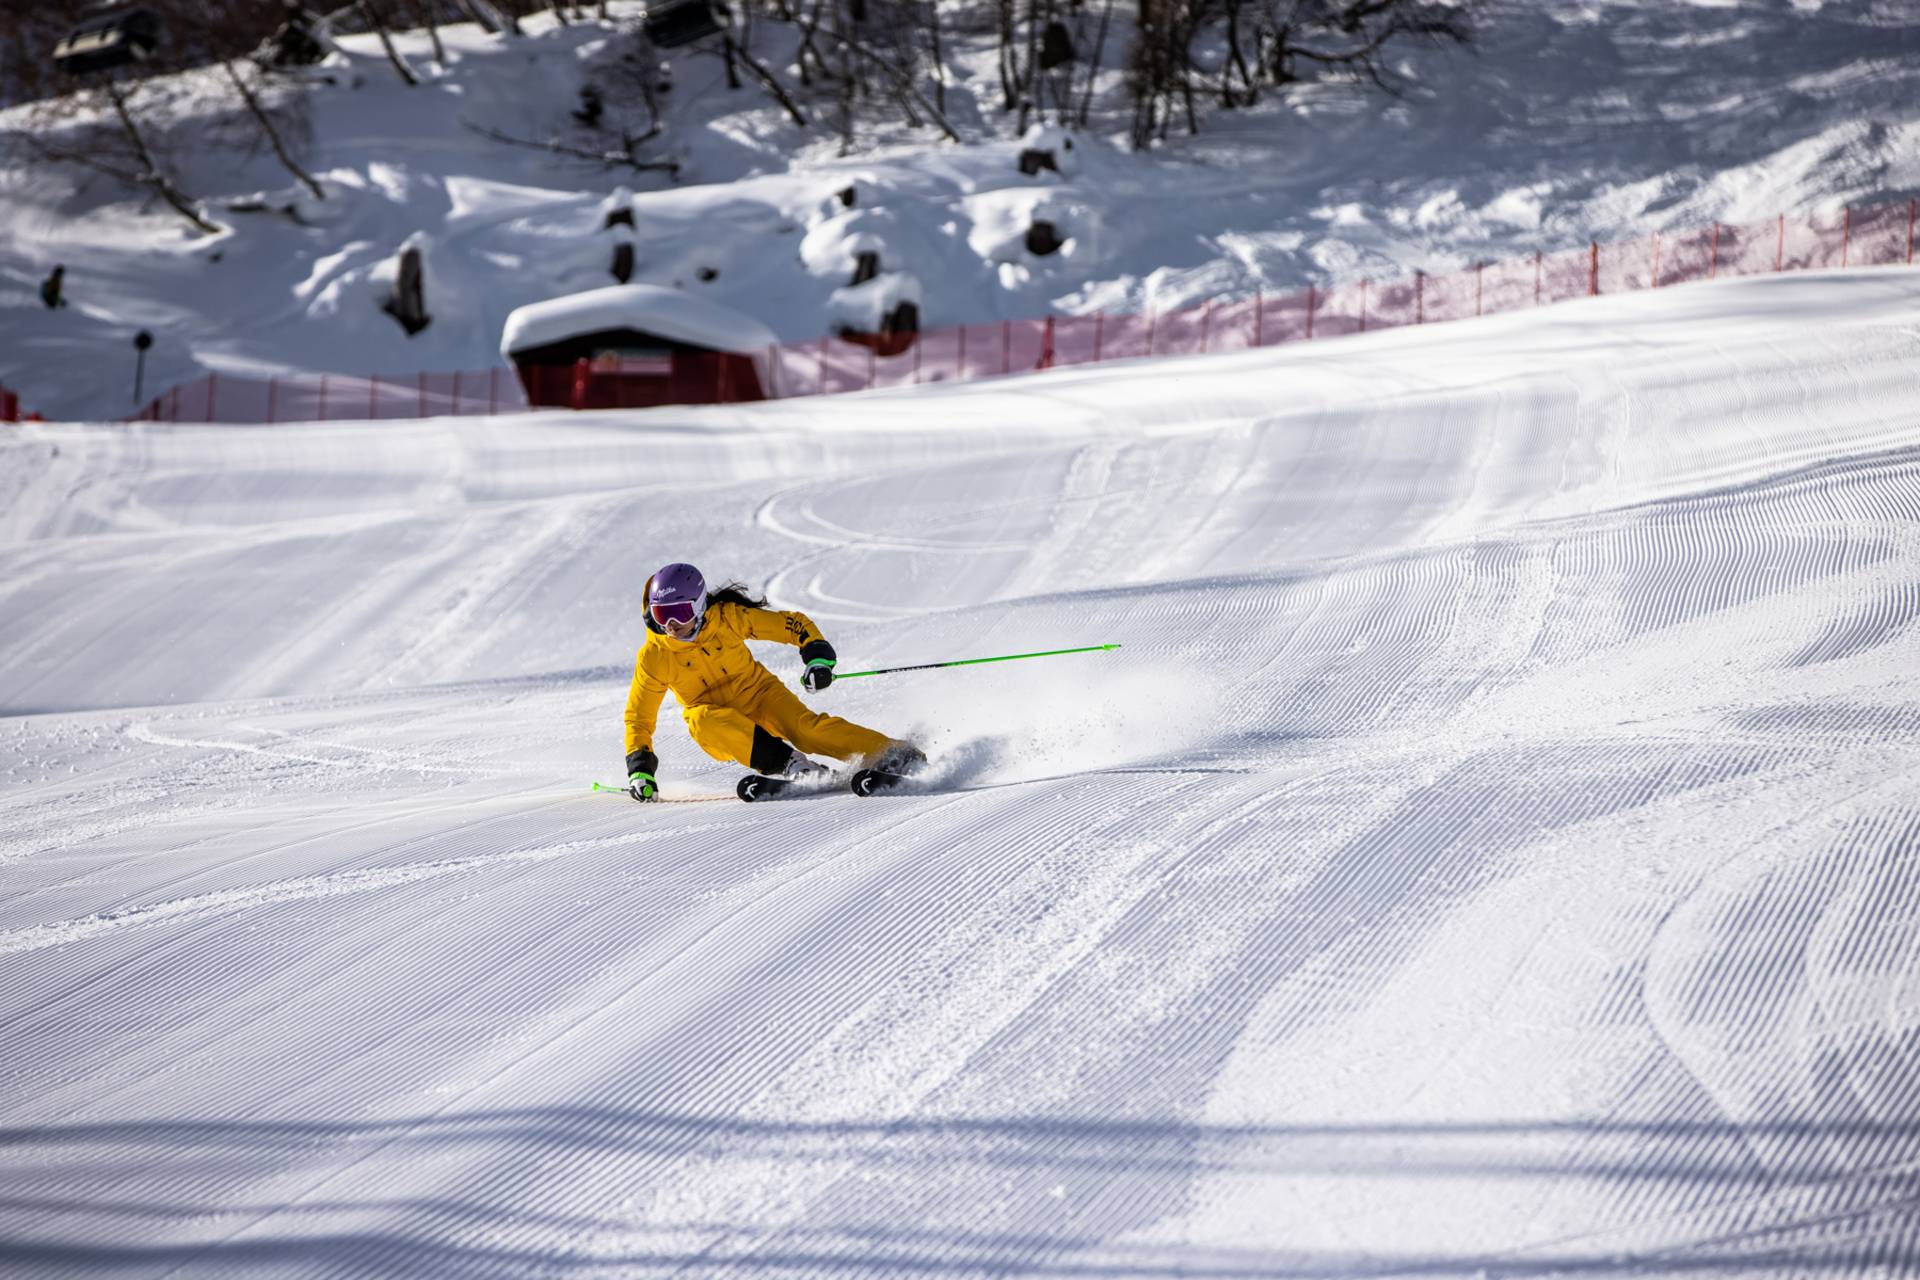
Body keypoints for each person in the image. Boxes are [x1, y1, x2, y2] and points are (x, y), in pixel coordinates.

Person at [622, 562, 922, 801]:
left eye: (680, 612)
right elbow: (639, 717)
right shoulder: (654, 656)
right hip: (717, 722)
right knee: (701, 719)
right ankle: (790, 764)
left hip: (760, 694)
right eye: (662, 615)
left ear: (699, 606)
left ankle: (893, 753)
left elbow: (793, 625)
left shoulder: (728, 618)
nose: (670, 625)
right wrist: (640, 770)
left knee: (806, 730)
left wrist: (816, 656)